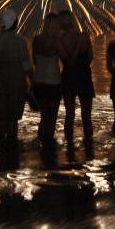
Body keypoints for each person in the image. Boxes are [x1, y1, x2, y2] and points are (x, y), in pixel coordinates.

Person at [0, 8, 34, 149]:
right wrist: (35, 83)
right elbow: (27, 67)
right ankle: (11, 147)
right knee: (12, 118)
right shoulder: (19, 42)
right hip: (17, 84)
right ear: (14, 24)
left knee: (0, 114)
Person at [58, 9, 95, 144]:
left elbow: (65, 61)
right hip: (84, 75)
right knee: (87, 116)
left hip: (68, 77)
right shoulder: (84, 36)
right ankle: (89, 145)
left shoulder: (60, 39)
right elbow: (90, 58)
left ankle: (69, 146)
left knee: (69, 115)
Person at [32, 12, 66, 142]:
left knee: (43, 116)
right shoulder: (58, 41)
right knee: (52, 118)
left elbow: (34, 61)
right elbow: (65, 60)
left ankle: (41, 143)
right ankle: (49, 149)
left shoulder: (36, 40)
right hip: (54, 81)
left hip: (38, 81)